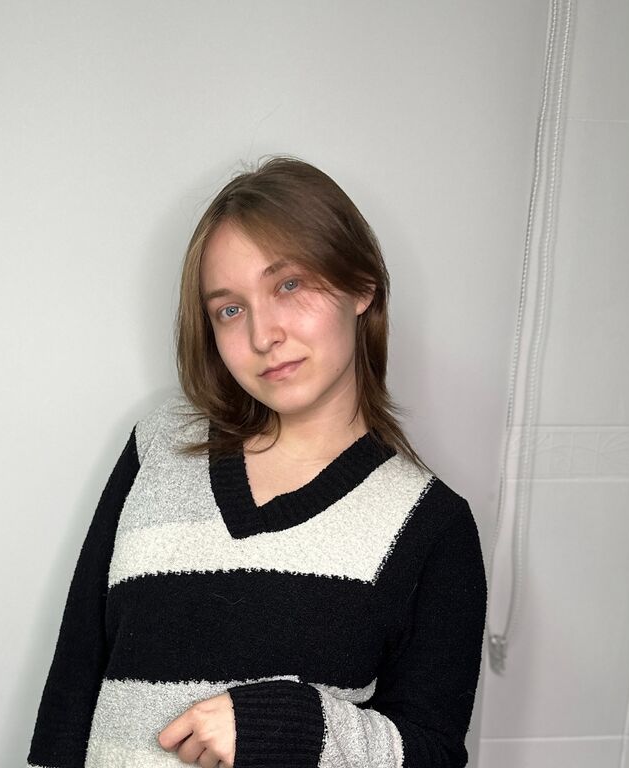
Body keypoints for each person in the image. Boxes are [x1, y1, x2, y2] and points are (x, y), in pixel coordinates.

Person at [25, 157, 487, 768]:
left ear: (362, 286)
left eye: (289, 285)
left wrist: (297, 728)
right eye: (230, 309)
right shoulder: (158, 445)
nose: (263, 335)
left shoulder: (431, 526)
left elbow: (432, 754)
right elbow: (74, 682)